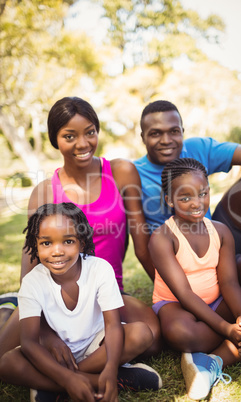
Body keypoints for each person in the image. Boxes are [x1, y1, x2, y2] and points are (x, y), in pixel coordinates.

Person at [0, 97, 161, 361]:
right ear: (55, 140)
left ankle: (83, 371)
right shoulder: (45, 192)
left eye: (90, 132)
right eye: (70, 136)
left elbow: (142, 247)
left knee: (152, 339)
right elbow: (30, 268)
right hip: (55, 297)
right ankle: (10, 311)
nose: (83, 143)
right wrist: (46, 332)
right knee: (4, 357)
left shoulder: (121, 172)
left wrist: (171, 295)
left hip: (109, 291)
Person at [0, 203, 162, 402]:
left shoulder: (99, 269)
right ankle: (101, 380)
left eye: (67, 241)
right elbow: (30, 343)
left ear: (82, 243)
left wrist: (110, 370)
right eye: (46, 243)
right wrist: (68, 379)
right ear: (36, 245)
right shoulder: (33, 282)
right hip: (53, 354)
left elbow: (112, 326)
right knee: (7, 363)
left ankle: (56, 385)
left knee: (141, 333)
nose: (56, 251)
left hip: (95, 347)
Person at [148, 158, 241, 400]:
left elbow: (229, 283)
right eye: (185, 198)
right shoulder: (162, 238)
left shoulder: (221, 232)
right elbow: (184, 294)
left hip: (216, 301)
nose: (196, 203)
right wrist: (226, 328)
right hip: (177, 306)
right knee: (180, 333)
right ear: (169, 200)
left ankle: (214, 360)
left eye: (202, 194)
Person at [134, 100, 241, 293]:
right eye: (155, 133)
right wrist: (173, 289)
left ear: (182, 131)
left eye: (173, 131)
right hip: (192, 269)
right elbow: (142, 248)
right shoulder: (135, 173)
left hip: (217, 239)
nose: (166, 140)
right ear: (143, 137)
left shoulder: (197, 148)